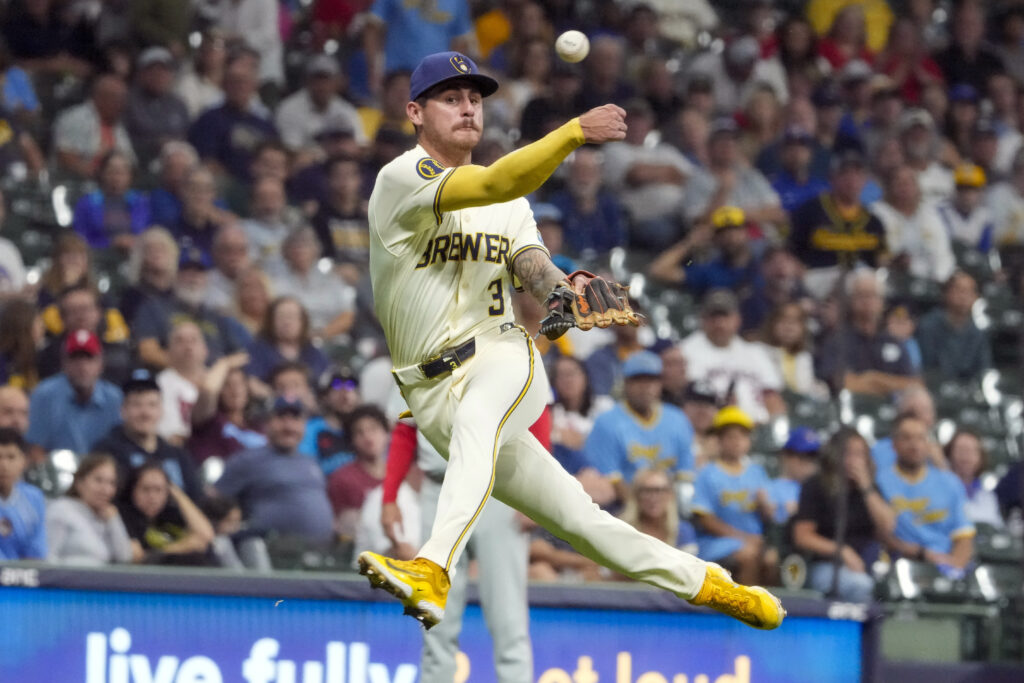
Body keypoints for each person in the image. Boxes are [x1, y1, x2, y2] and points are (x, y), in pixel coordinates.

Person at [356, 51, 784, 631]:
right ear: (414, 111)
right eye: (450, 98)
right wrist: (573, 132)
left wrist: (564, 293)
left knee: (484, 408)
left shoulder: (509, 207)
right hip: (430, 397)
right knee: (583, 523)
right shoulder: (400, 179)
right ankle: (715, 585)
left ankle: (432, 567)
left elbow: (534, 266)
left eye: (475, 99)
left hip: (501, 357)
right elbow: (496, 177)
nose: (467, 108)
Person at [791, 427, 895, 602]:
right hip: (825, 566)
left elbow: (888, 527)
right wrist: (842, 551)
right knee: (860, 585)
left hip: (867, 564)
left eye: (860, 454)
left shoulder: (870, 489)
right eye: (848, 453)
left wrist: (866, 487)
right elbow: (802, 536)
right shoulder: (816, 485)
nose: (854, 461)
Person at [213, 395, 334, 545]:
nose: (288, 426)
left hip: (319, 554)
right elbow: (213, 501)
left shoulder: (311, 462)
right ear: (267, 423)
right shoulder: (247, 460)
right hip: (271, 553)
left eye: (295, 418)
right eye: (281, 417)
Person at [583, 351, 696, 506]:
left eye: (651, 380)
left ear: (660, 384)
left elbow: (684, 476)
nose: (645, 387)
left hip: (669, 506)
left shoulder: (677, 419)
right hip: (621, 509)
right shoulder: (606, 422)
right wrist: (645, 512)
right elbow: (611, 479)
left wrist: (667, 511)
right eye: (638, 381)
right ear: (626, 384)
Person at [877, 414, 976, 572]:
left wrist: (955, 566)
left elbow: (964, 535)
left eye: (920, 438)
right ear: (894, 444)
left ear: (929, 444)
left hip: (944, 562)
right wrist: (921, 553)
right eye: (907, 438)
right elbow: (881, 535)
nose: (914, 445)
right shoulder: (879, 482)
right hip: (898, 563)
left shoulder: (949, 482)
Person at [691, 406, 776, 586]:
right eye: (731, 436)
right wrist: (743, 538)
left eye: (742, 436)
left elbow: (771, 516)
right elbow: (705, 519)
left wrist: (764, 505)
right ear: (720, 440)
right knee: (749, 555)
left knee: (772, 560)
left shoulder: (757, 472)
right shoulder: (708, 473)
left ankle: (773, 610)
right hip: (717, 543)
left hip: (756, 540)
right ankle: (746, 611)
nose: (737, 442)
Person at [92, 368, 204, 503]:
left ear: (161, 411)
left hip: (176, 523)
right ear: (123, 410)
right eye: (136, 405)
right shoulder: (106, 452)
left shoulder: (177, 454)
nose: (145, 413)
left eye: (152, 405)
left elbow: (198, 499)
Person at [788, 148, 888, 295]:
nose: (852, 179)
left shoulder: (873, 221)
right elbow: (790, 251)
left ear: (865, 180)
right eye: (845, 173)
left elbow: (881, 262)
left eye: (857, 174)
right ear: (832, 178)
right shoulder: (811, 211)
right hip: (818, 279)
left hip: (861, 284)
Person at [680, 289, 785, 423]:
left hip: (758, 427)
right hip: (715, 428)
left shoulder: (756, 353)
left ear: (737, 319)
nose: (720, 323)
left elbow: (773, 399)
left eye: (725, 316)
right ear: (703, 319)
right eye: (713, 317)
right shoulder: (685, 351)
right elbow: (689, 403)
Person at [815, 269, 919, 396]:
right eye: (861, 295)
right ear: (851, 300)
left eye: (872, 295)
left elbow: (912, 384)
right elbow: (841, 382)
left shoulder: (893, 341)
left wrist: (873, 378)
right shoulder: (836, 340)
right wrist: (889, 385)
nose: (867, 301)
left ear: (882, 302)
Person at [26, 330, 123, 459]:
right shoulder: (44, 395)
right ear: (64, 362)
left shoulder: (115, 398)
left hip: (102, 474)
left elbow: (121, 449)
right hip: (55, 473)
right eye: (75, 358)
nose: (82, 366)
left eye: (89, 358)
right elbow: (34, 449)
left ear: (101, 363)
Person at [648, 206, 763, 299]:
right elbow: (658, 270)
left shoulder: (763, 265)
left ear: (746, 232)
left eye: (735, 229)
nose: (730, 236)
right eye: (722, 232)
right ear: (715, 239)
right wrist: (690, 243)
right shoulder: (709, 271)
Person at [117, 461, 215, 566]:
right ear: (132, 490)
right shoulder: (123, 514)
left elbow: (206, 535)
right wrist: (183, 546)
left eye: (158, 490)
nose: (152, 497)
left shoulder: (170, 513)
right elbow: (137, 557)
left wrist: (178, 494)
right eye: (145, 489)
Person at [46, 453, 134, 566]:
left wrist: (114, 520)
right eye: (98, 480)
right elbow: (47, 558)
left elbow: (125, 557)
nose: (106, 490)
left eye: (111, 483)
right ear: (79, 482)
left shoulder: (105, 517)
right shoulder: (61, 509)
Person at [52, 73, 135, 179]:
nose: (121, 104)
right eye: (116, 98)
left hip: (114, 185)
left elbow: (130, 161)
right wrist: (99, 175)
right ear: (99, 97)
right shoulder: (74, 118)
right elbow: (65, 157)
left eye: (123, 99)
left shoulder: (117, 124)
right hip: (78, 184)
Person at [275, 54, 365, 151]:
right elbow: (291, 150)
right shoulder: (289, 109)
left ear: (337, 82)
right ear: (307, 81)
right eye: (317, 80)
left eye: (327, 80)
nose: (322, 86)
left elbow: (360, 144)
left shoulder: (346, 110)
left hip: (336, 161)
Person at [916, 271, 991, 382]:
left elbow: (984, 370)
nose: (964, 296)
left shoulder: (977, 332)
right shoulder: (928, 326)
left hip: (968, 393)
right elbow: (925, 369)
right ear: (946, 293)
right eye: (960, 290)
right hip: (934, 388)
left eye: (970, 292)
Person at [189, 355, 265, 464]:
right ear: (218, 391)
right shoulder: (209, 421)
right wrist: (224, 363)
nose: (235, 390)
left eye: (239, 384)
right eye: (227, 385)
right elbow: (208, 390)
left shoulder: (258, 427)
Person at [327, 405, 390, 538]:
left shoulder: (403, 476)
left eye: (373, 428)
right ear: (352, 441)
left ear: (387, 434)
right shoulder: (342, 479)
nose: (367, 436)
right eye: (359, 432)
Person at [124, 47, 190, 169]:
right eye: (152, 71)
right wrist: (154, 144)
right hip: (139, 165)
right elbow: (124, 139)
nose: (159, 76)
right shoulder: (129, 102)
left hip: (174, 166)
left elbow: (186, 138)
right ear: (141, 74)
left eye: (164, 71)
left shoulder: (179, 104)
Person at [70, 150, 151, 250]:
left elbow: (150, 234)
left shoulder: (142, 202)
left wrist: (134, 242)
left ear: (130, 175)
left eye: (122, 172)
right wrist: (111, 243)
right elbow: (79, 240)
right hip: (98, 257)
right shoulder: (86, 203)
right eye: (112, 171)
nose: (117, 177)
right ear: (102, 173)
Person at [245, 296, 329, 383]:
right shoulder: (257, 350)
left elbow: (330, 380)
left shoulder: (313, 351)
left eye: (292, 316)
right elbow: (252, 382)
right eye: (281, 317)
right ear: (271, 321)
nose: (287, 322)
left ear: (303, 321)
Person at [620, 467, 697, 555]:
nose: (653, 498)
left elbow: (688, 567)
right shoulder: (622, 528)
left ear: (670, 494)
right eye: (647, 491)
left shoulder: (682, 531)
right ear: (636, 495)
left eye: (659, 490)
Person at [298, 367, 360, 475]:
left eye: (351, 386)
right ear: (324, 397)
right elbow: (305, 468)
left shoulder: (366, 429)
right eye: (337, 386)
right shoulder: (311, 429)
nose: (345, 393)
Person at [0, 428, 46, 560]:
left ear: (23, 461)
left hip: (25, 577)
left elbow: (37, 550)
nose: (4, 465)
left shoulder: (34, 497)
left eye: (11, 457)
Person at [945, 430, 1005, 529]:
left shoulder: (988, 497)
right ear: (949, 455)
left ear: (980, 458)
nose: (966, 456)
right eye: (961, 450)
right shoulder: (939, 492)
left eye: (972, 451)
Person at [769, 428, 821, 525]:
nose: (811, 464)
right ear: (786, 456)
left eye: (814, 458)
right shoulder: (770, 489)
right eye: (805, 457)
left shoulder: (821, 488)